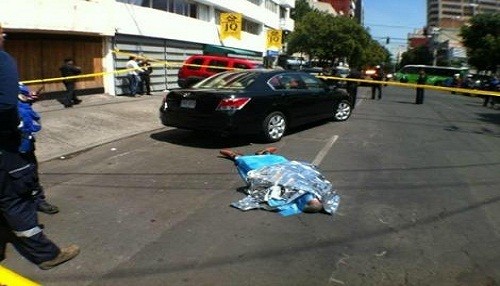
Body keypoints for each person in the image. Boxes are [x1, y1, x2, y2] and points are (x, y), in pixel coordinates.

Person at [0, 24, 79, 269]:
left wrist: (22, 96)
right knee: (15, 200)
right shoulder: (2, 60)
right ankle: (46, 255)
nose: (4, 38)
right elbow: (4, 104)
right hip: (7, 148)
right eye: (2, 34)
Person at [219, 147, 324, 214]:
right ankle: (266, 153)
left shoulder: (295, 199)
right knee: (280, 161)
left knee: (253, 167)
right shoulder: (315, 191)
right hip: (287, 172)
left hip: (275, 179)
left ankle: (236, 156)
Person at [17, 84, 59, 214]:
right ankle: (27, 203)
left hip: (25, 143)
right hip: (16, 145)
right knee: (22, 175)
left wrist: (28, 99)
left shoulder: (12, 85)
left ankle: (37, 200)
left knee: (31, 172)